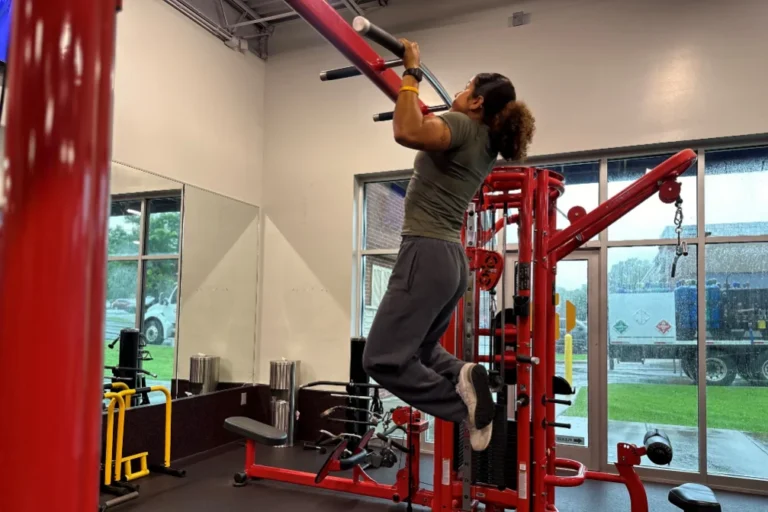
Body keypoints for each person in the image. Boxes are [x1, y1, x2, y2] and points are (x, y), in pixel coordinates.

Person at [362, 39, 536, 451]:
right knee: (420, 350)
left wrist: (412, 73)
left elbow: (406, 130)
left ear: (476, 102)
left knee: (381, 359)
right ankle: (466, 374)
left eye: (464, 87)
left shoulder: (463, 127)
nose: (455, 93)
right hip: (451, 263)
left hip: (426, 251)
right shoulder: (486, 145)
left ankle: (466, 408)